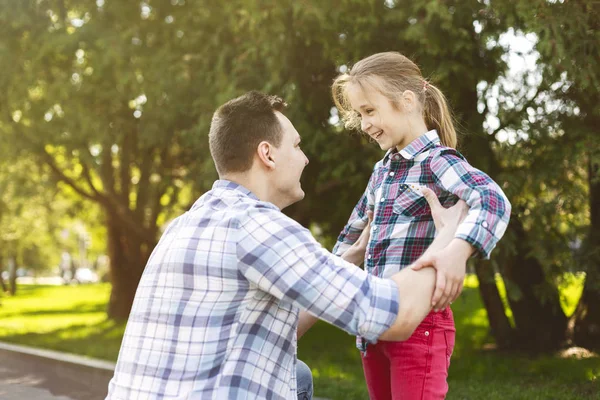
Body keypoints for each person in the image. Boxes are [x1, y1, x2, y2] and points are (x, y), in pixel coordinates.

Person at [105, 91, 468, 400]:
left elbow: (279, 327)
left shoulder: (182, 226)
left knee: (296, 375)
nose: (305, 158)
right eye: (296, 145)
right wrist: (446, 239)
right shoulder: (260, 227)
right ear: (268, 154)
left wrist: (351, 256)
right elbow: (393, 318)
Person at [331, 51, 512, 399]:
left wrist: (457, 252)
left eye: (370, 111)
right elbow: (349, 239)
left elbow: (492, 200)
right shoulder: (381, 172)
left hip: (420, 325)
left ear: (408, 101)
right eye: (359, 115)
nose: (364, 124)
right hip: (373, 326)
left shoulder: (437, 162)